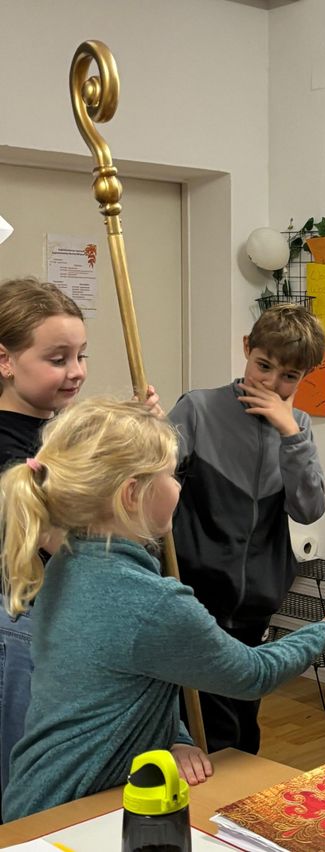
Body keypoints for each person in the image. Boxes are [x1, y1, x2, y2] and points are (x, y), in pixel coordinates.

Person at [0, 397, 325, 821]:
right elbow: (253, 674)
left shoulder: (69, 563)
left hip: (34, 796)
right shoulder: (151, 603)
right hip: (75, 809)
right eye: (173, 475)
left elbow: (122, 683)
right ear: (132, 495)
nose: (180, 487)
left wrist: (171, 735)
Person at [0, 277, 162, 818]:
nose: (77, 371)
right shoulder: (10, 450)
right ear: (5, 360)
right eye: (58, 357)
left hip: (54, 625)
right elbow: (72, 531)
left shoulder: (55, 430)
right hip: (18, 629)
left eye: (82, 355)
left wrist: (141, 436)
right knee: (28, 784)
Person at [169, 302, 325, 754]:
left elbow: (309, 509)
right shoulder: (198, 409)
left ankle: (236, 808)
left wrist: (289, 434)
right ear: (246, 349)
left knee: (242, 716)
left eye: (289, 377)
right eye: (263, 366)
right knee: (214, 731)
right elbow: (149, 479)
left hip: (256, 603)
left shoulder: (297, 426)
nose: (272, 384)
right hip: (197, 596)